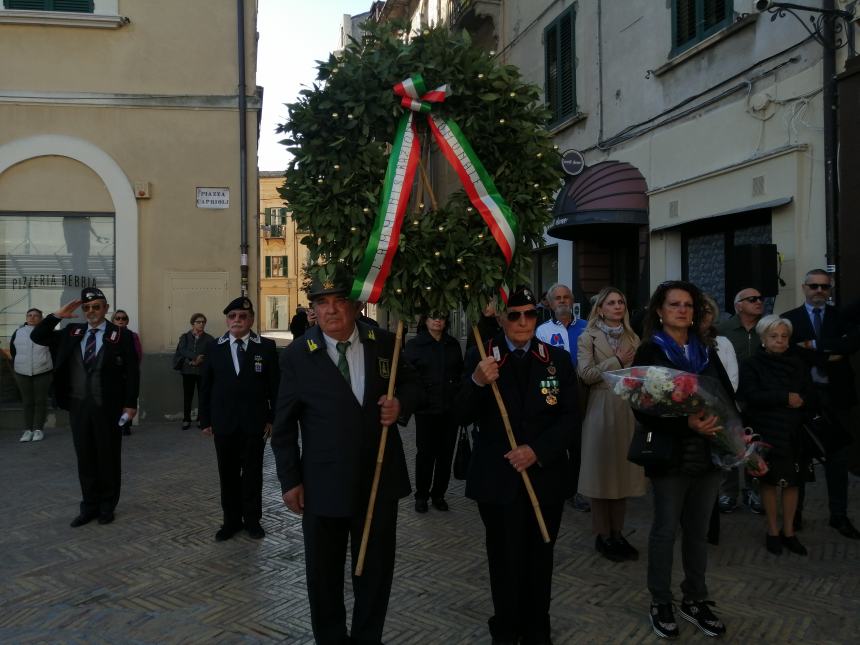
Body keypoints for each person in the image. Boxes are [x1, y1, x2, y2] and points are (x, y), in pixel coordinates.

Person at [270, 275, 421, 645]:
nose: (331, 309)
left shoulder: (385, 344)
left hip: (377, 482)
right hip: (323, 487)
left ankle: (368, 639)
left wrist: (400, 404)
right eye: (322, 302)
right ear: (313, 310)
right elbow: (284, 426)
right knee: (323, 576)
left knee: (374, 572)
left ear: (357, 306)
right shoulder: (296, 356)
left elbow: (414, 383)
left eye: (339, 301)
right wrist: (290, 481)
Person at [459, 287, 576, 645]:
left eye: (530, 314)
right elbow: (459, 414)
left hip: (544, 477)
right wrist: (477, 382)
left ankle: (537, 625)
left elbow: (570, 418)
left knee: (541, 556)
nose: (523, 322)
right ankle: (506, 627)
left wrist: (537, 451)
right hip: (499, 480)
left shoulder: (555, 358)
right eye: (514, 315)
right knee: (504, 558)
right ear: (501, 318)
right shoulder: (483, 357)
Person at [633, 280, 730, 639]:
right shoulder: (649, 351)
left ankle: (696, 598)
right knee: (664, 530)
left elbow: (725, 395)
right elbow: (642, 408)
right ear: (659, 311)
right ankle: (661, 600)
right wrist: (685, 421)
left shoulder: (706, 349)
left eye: (688, 305)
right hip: (669, 455)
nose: (682, 310)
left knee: (698, 531)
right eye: (674, 304)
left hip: (708, 452)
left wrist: (732, 430)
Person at [30, 287, 140, 527]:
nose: (91, 311)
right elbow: (37, 336)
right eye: (87, 308)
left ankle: (107, 506)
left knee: (108, 457)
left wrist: (130, 404)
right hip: (79, 406)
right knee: (85, 457)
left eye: (96, 307)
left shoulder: (121, 335)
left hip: (108, 407)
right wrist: (56, 316)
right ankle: (89, 506)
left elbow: (132, 373)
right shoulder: (72, 331)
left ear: (106, 308)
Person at [781, 269, 860, 539]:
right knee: (801, 457)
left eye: (824, 287)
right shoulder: (788, 320)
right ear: (804, 288)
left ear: (830, 289)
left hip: (837, 396)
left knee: (837, 460)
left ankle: (838, 516)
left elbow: (852, 344)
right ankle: (796, 515)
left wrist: (813, 345)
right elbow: (788, 352)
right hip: (804, 399)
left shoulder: (841, 317)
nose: (818, 291)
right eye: (813, 286)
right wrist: (830, 353)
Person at [199, 297, 279, 542]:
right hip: (223, 423)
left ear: (251, 320)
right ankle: (231, 522)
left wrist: (273, 418)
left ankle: (253, 521)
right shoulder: (214, 347)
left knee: (253, 474)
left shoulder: (265, 347)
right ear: (227, 320)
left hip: (254, 423)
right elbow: (205, 386)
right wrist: (205, 420)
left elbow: (275, 386)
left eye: (242, 317)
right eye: (232, 316)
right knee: (228, 474)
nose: (237, 321)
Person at [576, 287, 646, 562]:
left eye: (621, 302)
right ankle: (602, 535)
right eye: (611, 303)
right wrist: (617, 361)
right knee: (601, 473)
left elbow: (639, 373)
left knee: (623, 474)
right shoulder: (587, 338)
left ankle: (618, 533)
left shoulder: (634, 337)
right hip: (600, 409)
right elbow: (586, 374)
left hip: (627, 408)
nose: (617, 306)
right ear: (600, 309)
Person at [738, 315, 814, 556]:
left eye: (784, 336)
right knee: (769, 483)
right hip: (766, 431)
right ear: (763, 338)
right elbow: (749, 395)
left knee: (794, 483)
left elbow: (809, 391)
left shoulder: (798, 363)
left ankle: (789, 531)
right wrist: (784, 398)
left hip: (793, 431)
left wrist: (802, 400)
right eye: (774, 336)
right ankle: (772, 531)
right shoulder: (751, 364)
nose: (780, 341)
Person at [536, 282, 590, 513]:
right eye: (557, 297)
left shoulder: (588, 327)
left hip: (582, 389)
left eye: (566, 297)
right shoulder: (542, 331)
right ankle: (554, 486)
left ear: (572, 300)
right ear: (549, 303)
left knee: (579, 444)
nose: (562, 301)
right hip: (554, 390)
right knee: (557, 440)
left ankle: (575, 490)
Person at [404, 312, 464, 513]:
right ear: (425, 320)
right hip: (426, 411)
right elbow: (409, 377)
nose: (437, 320)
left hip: (449, 409)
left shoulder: (453, 344)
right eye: (432, 316)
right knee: (425, 454)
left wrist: (457, 397)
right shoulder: (414, 345)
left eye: (441, 317)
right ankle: (421, 495)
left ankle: (439, 494)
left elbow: (460, 374)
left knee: (445, 455)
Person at [716, 287, 765, 514]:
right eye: (752, 299)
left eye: (760, 298)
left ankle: (753, 491)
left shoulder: (767, 328)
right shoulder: (723, 330)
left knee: (755, 444)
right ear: (739, 305)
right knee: (729, 444)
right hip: (730, 399)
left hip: (758, 397)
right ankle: (728, 493)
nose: (759, 302)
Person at [5, 308, 54, 442]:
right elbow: (13, 351)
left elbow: (54, 351)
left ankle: (38, 429)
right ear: (26, 317)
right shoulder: (18, 332)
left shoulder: (47, 332)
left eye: (36, 316)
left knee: (40, 401)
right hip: (22, 372)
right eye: (29, 315)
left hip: (42, 371)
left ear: (41, 318)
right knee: (27, 402)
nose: (32, 318)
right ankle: (28, 430)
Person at [174, 313, 214, 430]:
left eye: (203, 322)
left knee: (203, 396)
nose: (201, 324)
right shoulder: (185, 337)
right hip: (187, 371)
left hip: (202, 372)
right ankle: (186, 419)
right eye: (198, 322)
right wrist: (193, 360)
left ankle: (201, 419)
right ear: (193, 324)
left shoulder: (209, 338)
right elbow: (181, 351)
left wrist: (202, 360)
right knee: (188, 396)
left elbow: (212, 354)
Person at [111, 310, 142, 435]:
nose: (120, 320)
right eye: (117, 318)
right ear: (113, 320)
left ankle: (125, 425)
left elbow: (138, 354)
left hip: (127, 374)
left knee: (128, 399)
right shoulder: (109, 335)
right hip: (112, 374)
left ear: (127, 321)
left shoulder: (132, 335)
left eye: (123, 318)